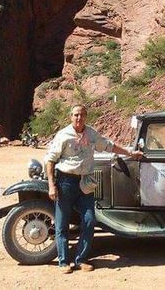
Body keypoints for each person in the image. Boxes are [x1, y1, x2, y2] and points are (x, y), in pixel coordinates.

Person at [45, 104, 142, 274]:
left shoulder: (91, 134)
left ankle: (81, 259)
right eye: (76, 115)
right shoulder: (63, 135)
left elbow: (109, 146)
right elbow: (50, 160)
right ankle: (63, 262)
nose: (79, 118)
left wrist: (130, 153)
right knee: (62, 223)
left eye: (82, 114)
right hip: (65, 181)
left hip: (86, 182)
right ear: (70, 116)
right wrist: (51, 185)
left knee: (89, 220)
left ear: (86, 116)